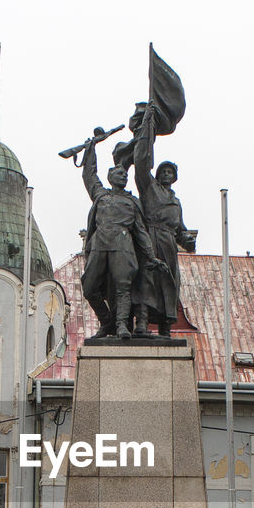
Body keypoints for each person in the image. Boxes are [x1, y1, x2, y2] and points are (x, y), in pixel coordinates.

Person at [80, 135, 167, 339]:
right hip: (100, 244)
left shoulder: (132, 201)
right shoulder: (100, 195)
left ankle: (121, 326)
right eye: (119, 174)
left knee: (123, 287)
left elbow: (141, 231)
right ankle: (107, 321)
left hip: (123, 245)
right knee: (89, 287)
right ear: (110, 178)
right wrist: (90, 150)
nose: (123, 176)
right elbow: (89, 175)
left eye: (124, 174)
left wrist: (151, 256)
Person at [133, 107, 195, 337]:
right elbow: (141, 162)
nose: (167, 173)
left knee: (168, 284)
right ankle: (141, 322)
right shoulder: (149, 188)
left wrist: (187, 240)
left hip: (169, 244)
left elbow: (180, 228)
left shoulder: (176, 201)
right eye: (164, 170)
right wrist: (148, 125)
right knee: (145, 280)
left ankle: (165, 327)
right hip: (149, 237)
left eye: (171, 171)